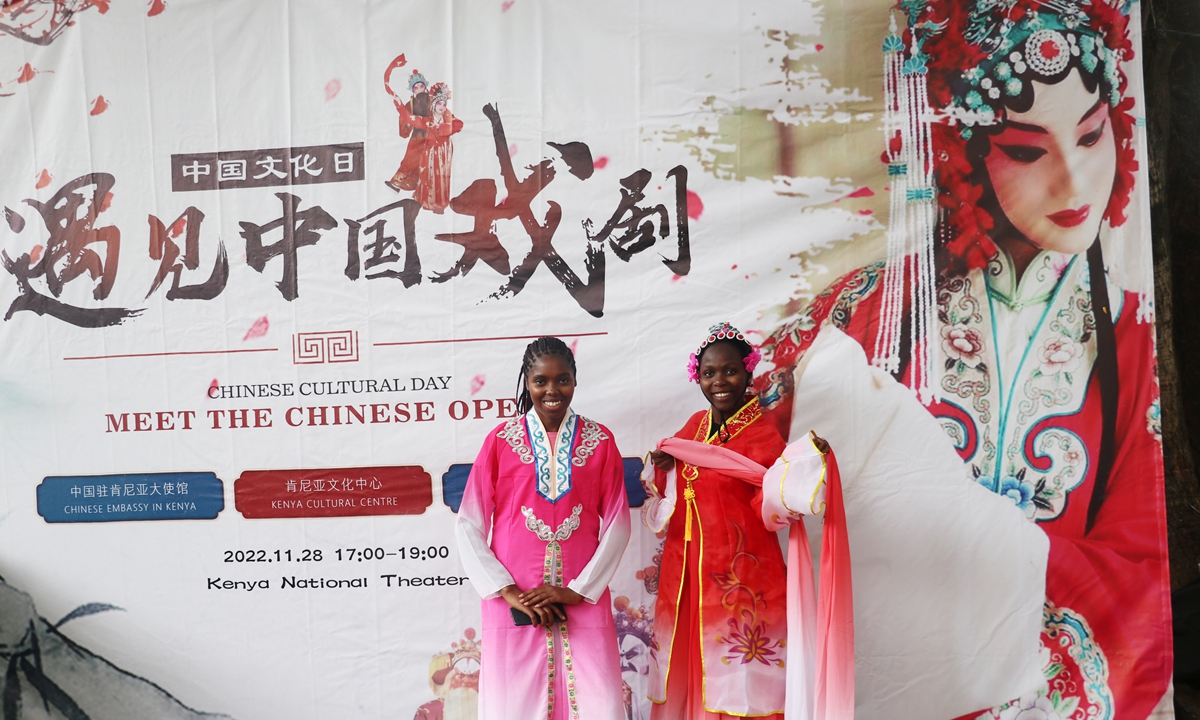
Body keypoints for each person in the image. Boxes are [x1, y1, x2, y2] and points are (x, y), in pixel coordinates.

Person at [759, 1, 1172, 718]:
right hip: (886, 673)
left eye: (1091, 134)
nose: (1075, 182)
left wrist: (986, 549)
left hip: (1040, 691)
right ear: (965, 153)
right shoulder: (870, 314)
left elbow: (1140, 570)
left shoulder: (1132, 341)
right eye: (1027, 150)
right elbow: (757, 456)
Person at [455, 337, 631, 720]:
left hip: (583, 599)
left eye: (562, 379)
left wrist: (578, 590)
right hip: (515, 601)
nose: (552, 390)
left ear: (575, 380)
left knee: (597, 701)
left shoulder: (600, 442)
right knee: (513, 704)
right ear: (527, 382)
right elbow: (469, 522)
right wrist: (507, 591)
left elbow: (618, 521)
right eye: (541, 381)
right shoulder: (501, 442)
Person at [643, 322, 788, 719]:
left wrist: (803, 477)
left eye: (730, 371)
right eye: (709, 373)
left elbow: (774, 507)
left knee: (738, 671)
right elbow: (669, 487)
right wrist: (665, 465)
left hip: (741, 573)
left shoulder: (765, 434)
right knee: (689, 659)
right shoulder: (694, 426)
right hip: (687, 572)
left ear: (748, 371)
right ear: (698, 376)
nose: (719, 381)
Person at [415, 82, 463, 214]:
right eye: (439, 104)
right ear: (434, 104)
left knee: (443, 175)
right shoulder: (429, 118)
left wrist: (442, 129)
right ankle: (428, 201)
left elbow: (459, 124)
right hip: (431, 150)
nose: (442, 107)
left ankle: (441, 202)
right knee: (430, 173)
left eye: (444, 104)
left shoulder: (447, 115)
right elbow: (413, 120)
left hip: (445, 150)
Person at [386, 69, 431, 193]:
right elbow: (405, 120)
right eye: (416, 87)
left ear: (425, 87)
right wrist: (405, 118)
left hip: (431, 136)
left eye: (421, 86)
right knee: (409, 160)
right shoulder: (410, 104)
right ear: (413, 90)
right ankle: (397, 184)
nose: (419, 89)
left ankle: (424, 189)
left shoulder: (433, 101)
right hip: (417, 137)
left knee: (428, 163)